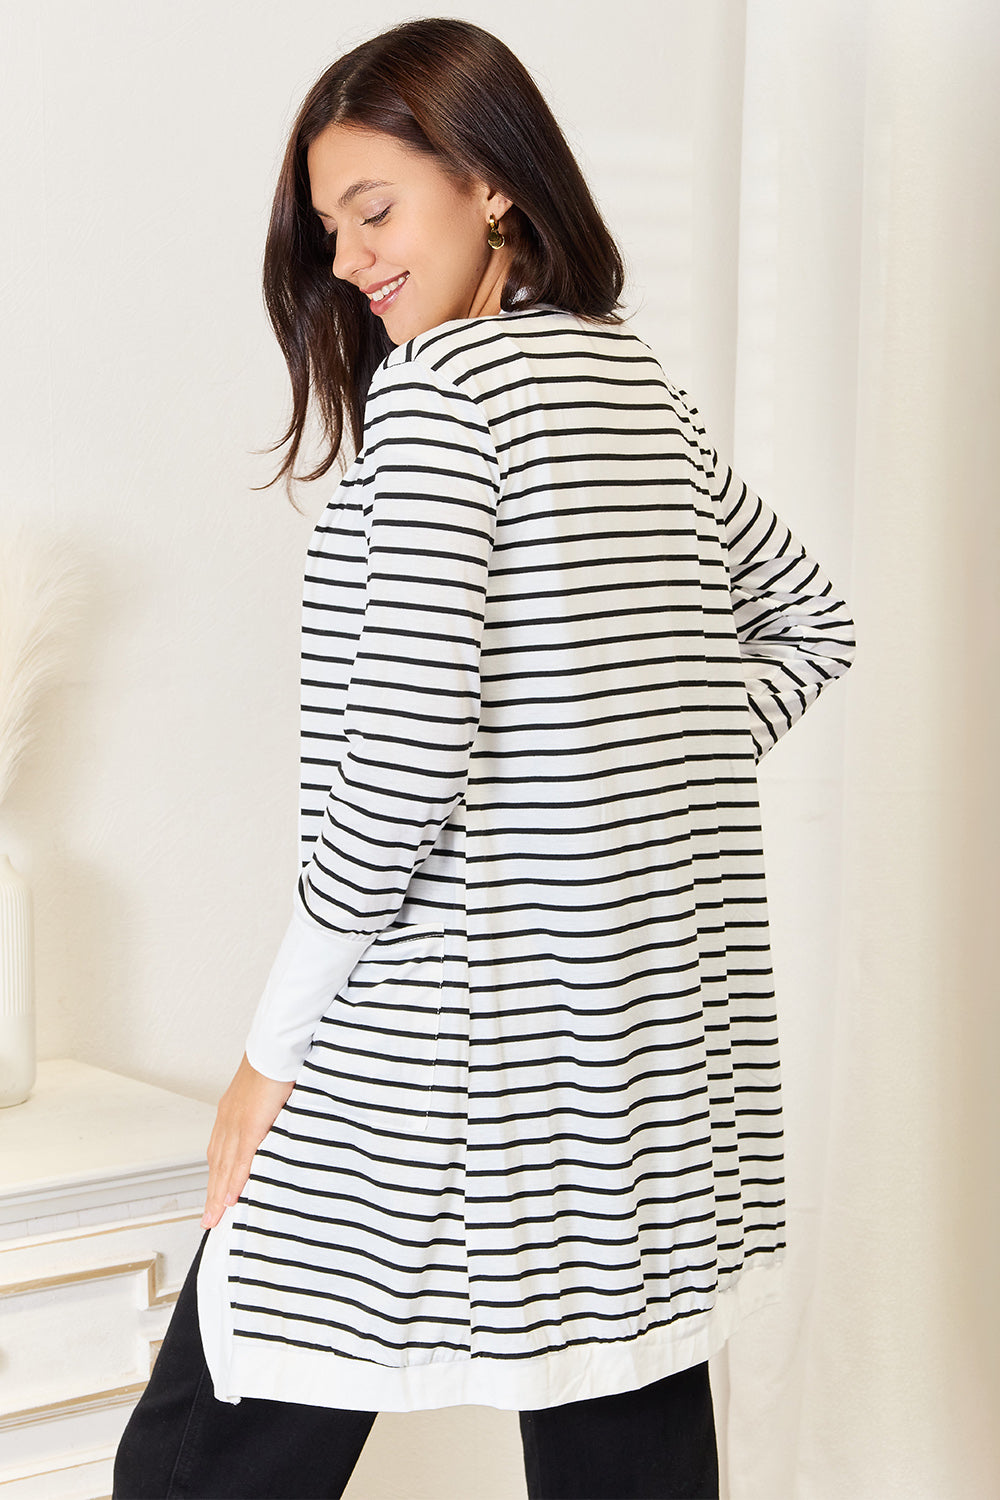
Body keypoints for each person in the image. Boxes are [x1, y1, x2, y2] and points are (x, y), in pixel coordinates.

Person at [113, 16, 854, 1500]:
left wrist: (267, 1059)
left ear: (493, 182)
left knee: (210, 1448)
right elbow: (811, 627)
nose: (347, 260)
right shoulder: (628, 384)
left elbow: (394, 786)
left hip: (442, 1050)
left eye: (374, 210)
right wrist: (609, 794)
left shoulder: (448, 398)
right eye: (330, 229)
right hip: (631, 1076)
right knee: (619, 1431)